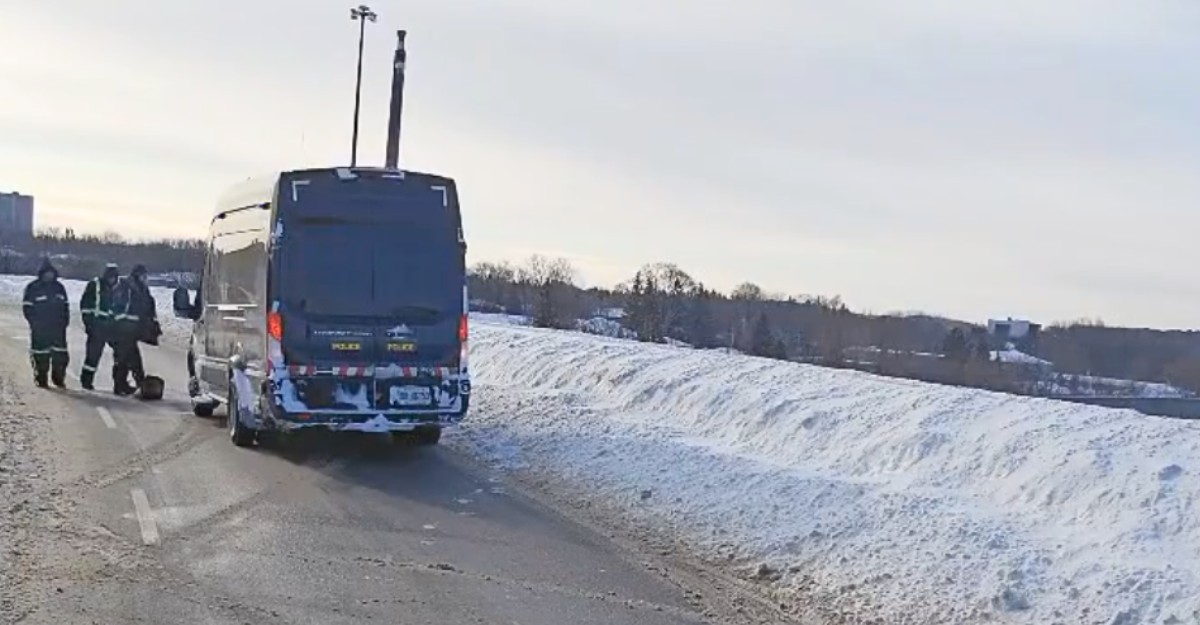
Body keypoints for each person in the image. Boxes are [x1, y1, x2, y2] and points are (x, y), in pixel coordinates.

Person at [22, 258, 70, 388]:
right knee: (40, 355)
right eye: (47, 273)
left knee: (61, 355)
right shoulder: (33, 288)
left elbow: (65, 307)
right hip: (40, 329)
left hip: (58, 329)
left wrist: (65, 323)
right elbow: (27, 308)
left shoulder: (59, 287)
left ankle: (58, 378)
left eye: (51, 273)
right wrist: (35, 323)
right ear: (42, 273)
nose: (49, 275)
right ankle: (41, 377)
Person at [111, 264, 159, 395]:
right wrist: (124, 324)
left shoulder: (142, 289)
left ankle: (139, 384)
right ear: (137, 275)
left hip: (132, 330)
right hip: (122, 330)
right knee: (123, 358)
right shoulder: (125, 287)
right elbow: (119, 308)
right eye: (143, 275)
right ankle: (120, 385)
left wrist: (152, 327)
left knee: (133, 358)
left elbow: (148, 309)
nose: (145, 278)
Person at [79, 263, 120, 390]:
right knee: (93, 355)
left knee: (122, 354)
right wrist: (88, 324)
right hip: (96, 326)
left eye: (114, 277)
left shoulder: (117, 288)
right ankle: (86, 380)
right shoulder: (95, 285)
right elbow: (85, 305)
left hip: (111, 327)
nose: (112, 279)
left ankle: (120, 384)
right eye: (110, 276)